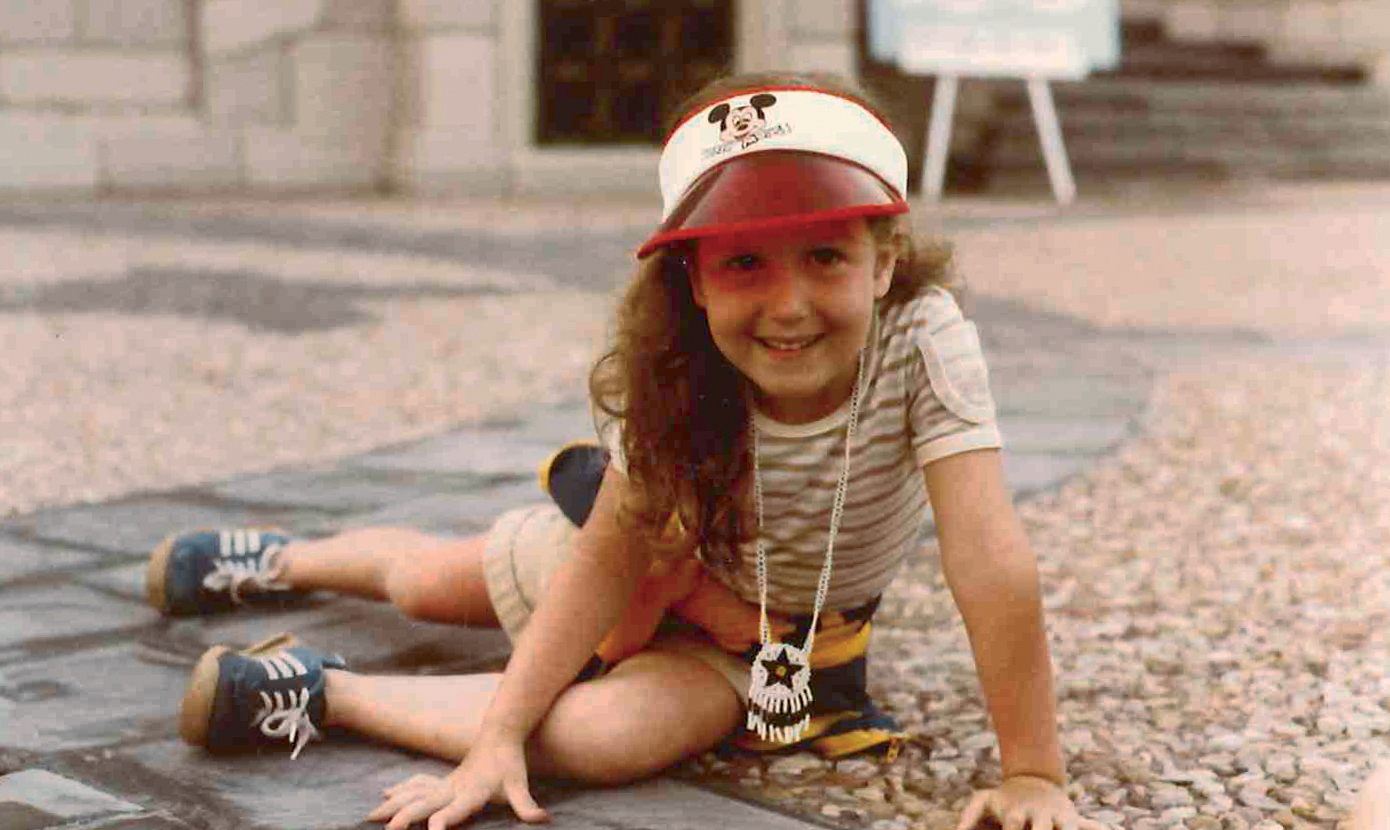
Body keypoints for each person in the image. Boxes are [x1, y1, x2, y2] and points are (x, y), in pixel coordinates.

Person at [147, 71, 1102, 830]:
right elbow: (606, 555)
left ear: (885, 259)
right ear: (691, 275)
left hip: (758, 638)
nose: (788, 303)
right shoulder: (678, 367)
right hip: (652, 558)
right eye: (743, 261)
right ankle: (277, 559)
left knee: (603, 741)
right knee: (428, 586)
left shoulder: (924, 337)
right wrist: (502, 726)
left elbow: (986, 551)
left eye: (826, 256)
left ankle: (321, 690)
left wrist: (1032, 770)